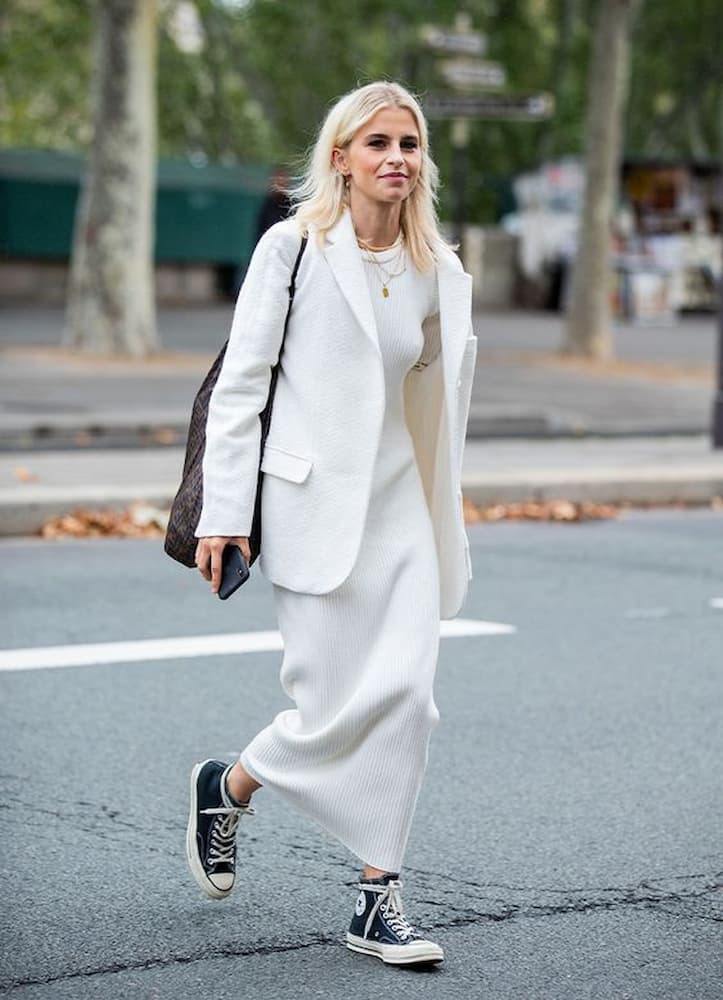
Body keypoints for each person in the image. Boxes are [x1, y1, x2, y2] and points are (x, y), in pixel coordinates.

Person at [187, 81, 478, 967]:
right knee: (325, 705)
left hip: (403, 509)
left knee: (408, 703)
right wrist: (224, 513)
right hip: (310, 502)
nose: (397, 156)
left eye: (410, 143)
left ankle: (375, 897)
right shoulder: (293, 249)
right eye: (378, 142)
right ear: (341, 158)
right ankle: (229, 784)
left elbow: (436, 395)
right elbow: (244, 384)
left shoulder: (441, 269)